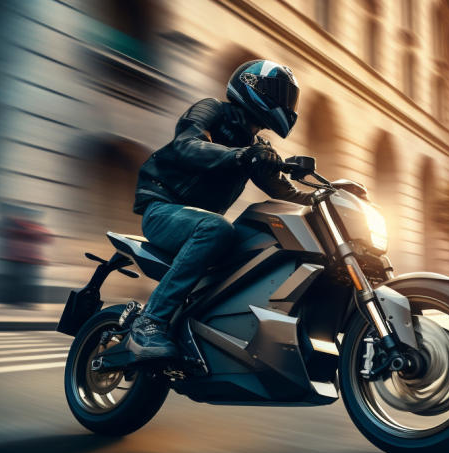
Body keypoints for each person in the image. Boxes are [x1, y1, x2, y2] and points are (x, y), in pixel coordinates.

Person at [104, 60, 314, 369]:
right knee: (218, 228)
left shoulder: (256, 146)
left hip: (201, 223)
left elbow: (285, 192)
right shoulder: (212, 110)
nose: (286, 104)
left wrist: (330, 195)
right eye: (281, 94)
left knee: (257, 241)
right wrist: (241, 155)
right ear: (254, 86)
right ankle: (149, 322)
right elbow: (186, 144)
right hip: (163, 210)